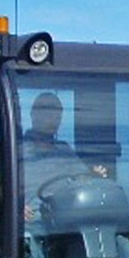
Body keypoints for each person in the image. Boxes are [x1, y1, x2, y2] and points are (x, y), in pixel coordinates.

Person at [22, 92, 106, 220]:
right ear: (33, 114)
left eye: (58, 113)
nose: (54, 118)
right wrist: (16, 207)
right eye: (48, 112)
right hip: (27, 227)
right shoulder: (14, 149)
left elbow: (81, 180)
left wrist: (94, 177)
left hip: (65, 222)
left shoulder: (64, 150)